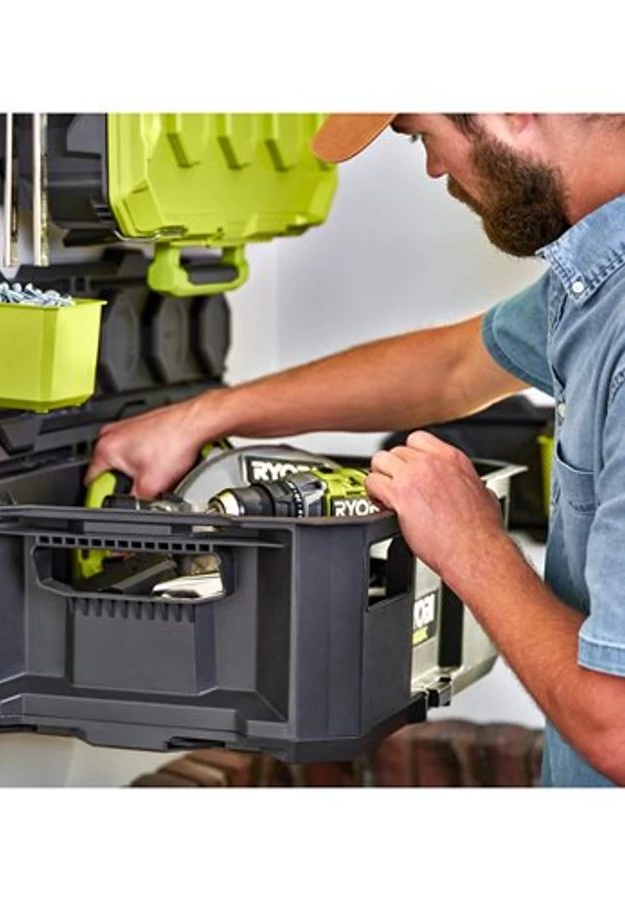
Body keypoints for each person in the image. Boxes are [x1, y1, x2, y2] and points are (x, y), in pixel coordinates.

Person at [85, 113, 625, 788]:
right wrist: (203, 417)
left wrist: (469, 544)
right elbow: (452, 368)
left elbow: (617, 728)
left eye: (420, 133)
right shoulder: (593, 288)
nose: (434, 168)